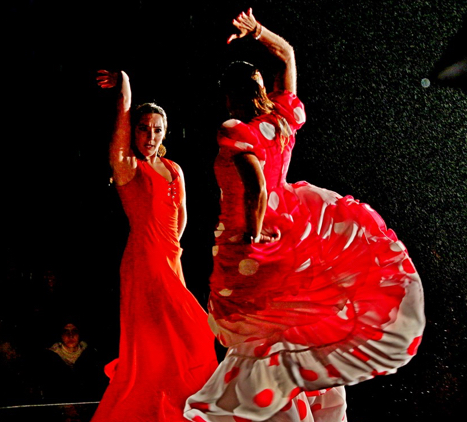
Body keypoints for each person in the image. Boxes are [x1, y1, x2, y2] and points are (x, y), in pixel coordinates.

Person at [184, 8, 426, 422]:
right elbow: (287, 56)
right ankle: (325, 410)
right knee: (297, 325)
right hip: (296, 233)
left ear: (229, 95)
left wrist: (252, 234)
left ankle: (277, 411)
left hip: (255, 240)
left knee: (260, 337)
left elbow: (256, 184)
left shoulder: (234, 130)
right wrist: (258, 31)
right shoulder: (282, 118)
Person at [89, 69, 219, 422]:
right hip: (144, 262)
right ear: (133, 131)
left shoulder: (174, 169)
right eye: (144, 128)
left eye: (157, 129)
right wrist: (125, 85)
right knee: (194, 331)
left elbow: (182, 216)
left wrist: (172, 250)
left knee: (170, 345)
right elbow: (121, 118)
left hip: (170, 260)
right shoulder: (127, 165)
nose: (150, 135)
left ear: (165, 133)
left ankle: (165, 410)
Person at [34, 316, 108, 402]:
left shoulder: (92, 355)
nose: (71, 335)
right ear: (60, 335)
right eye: (66, 332)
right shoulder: (48, 358)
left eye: (74, 331)